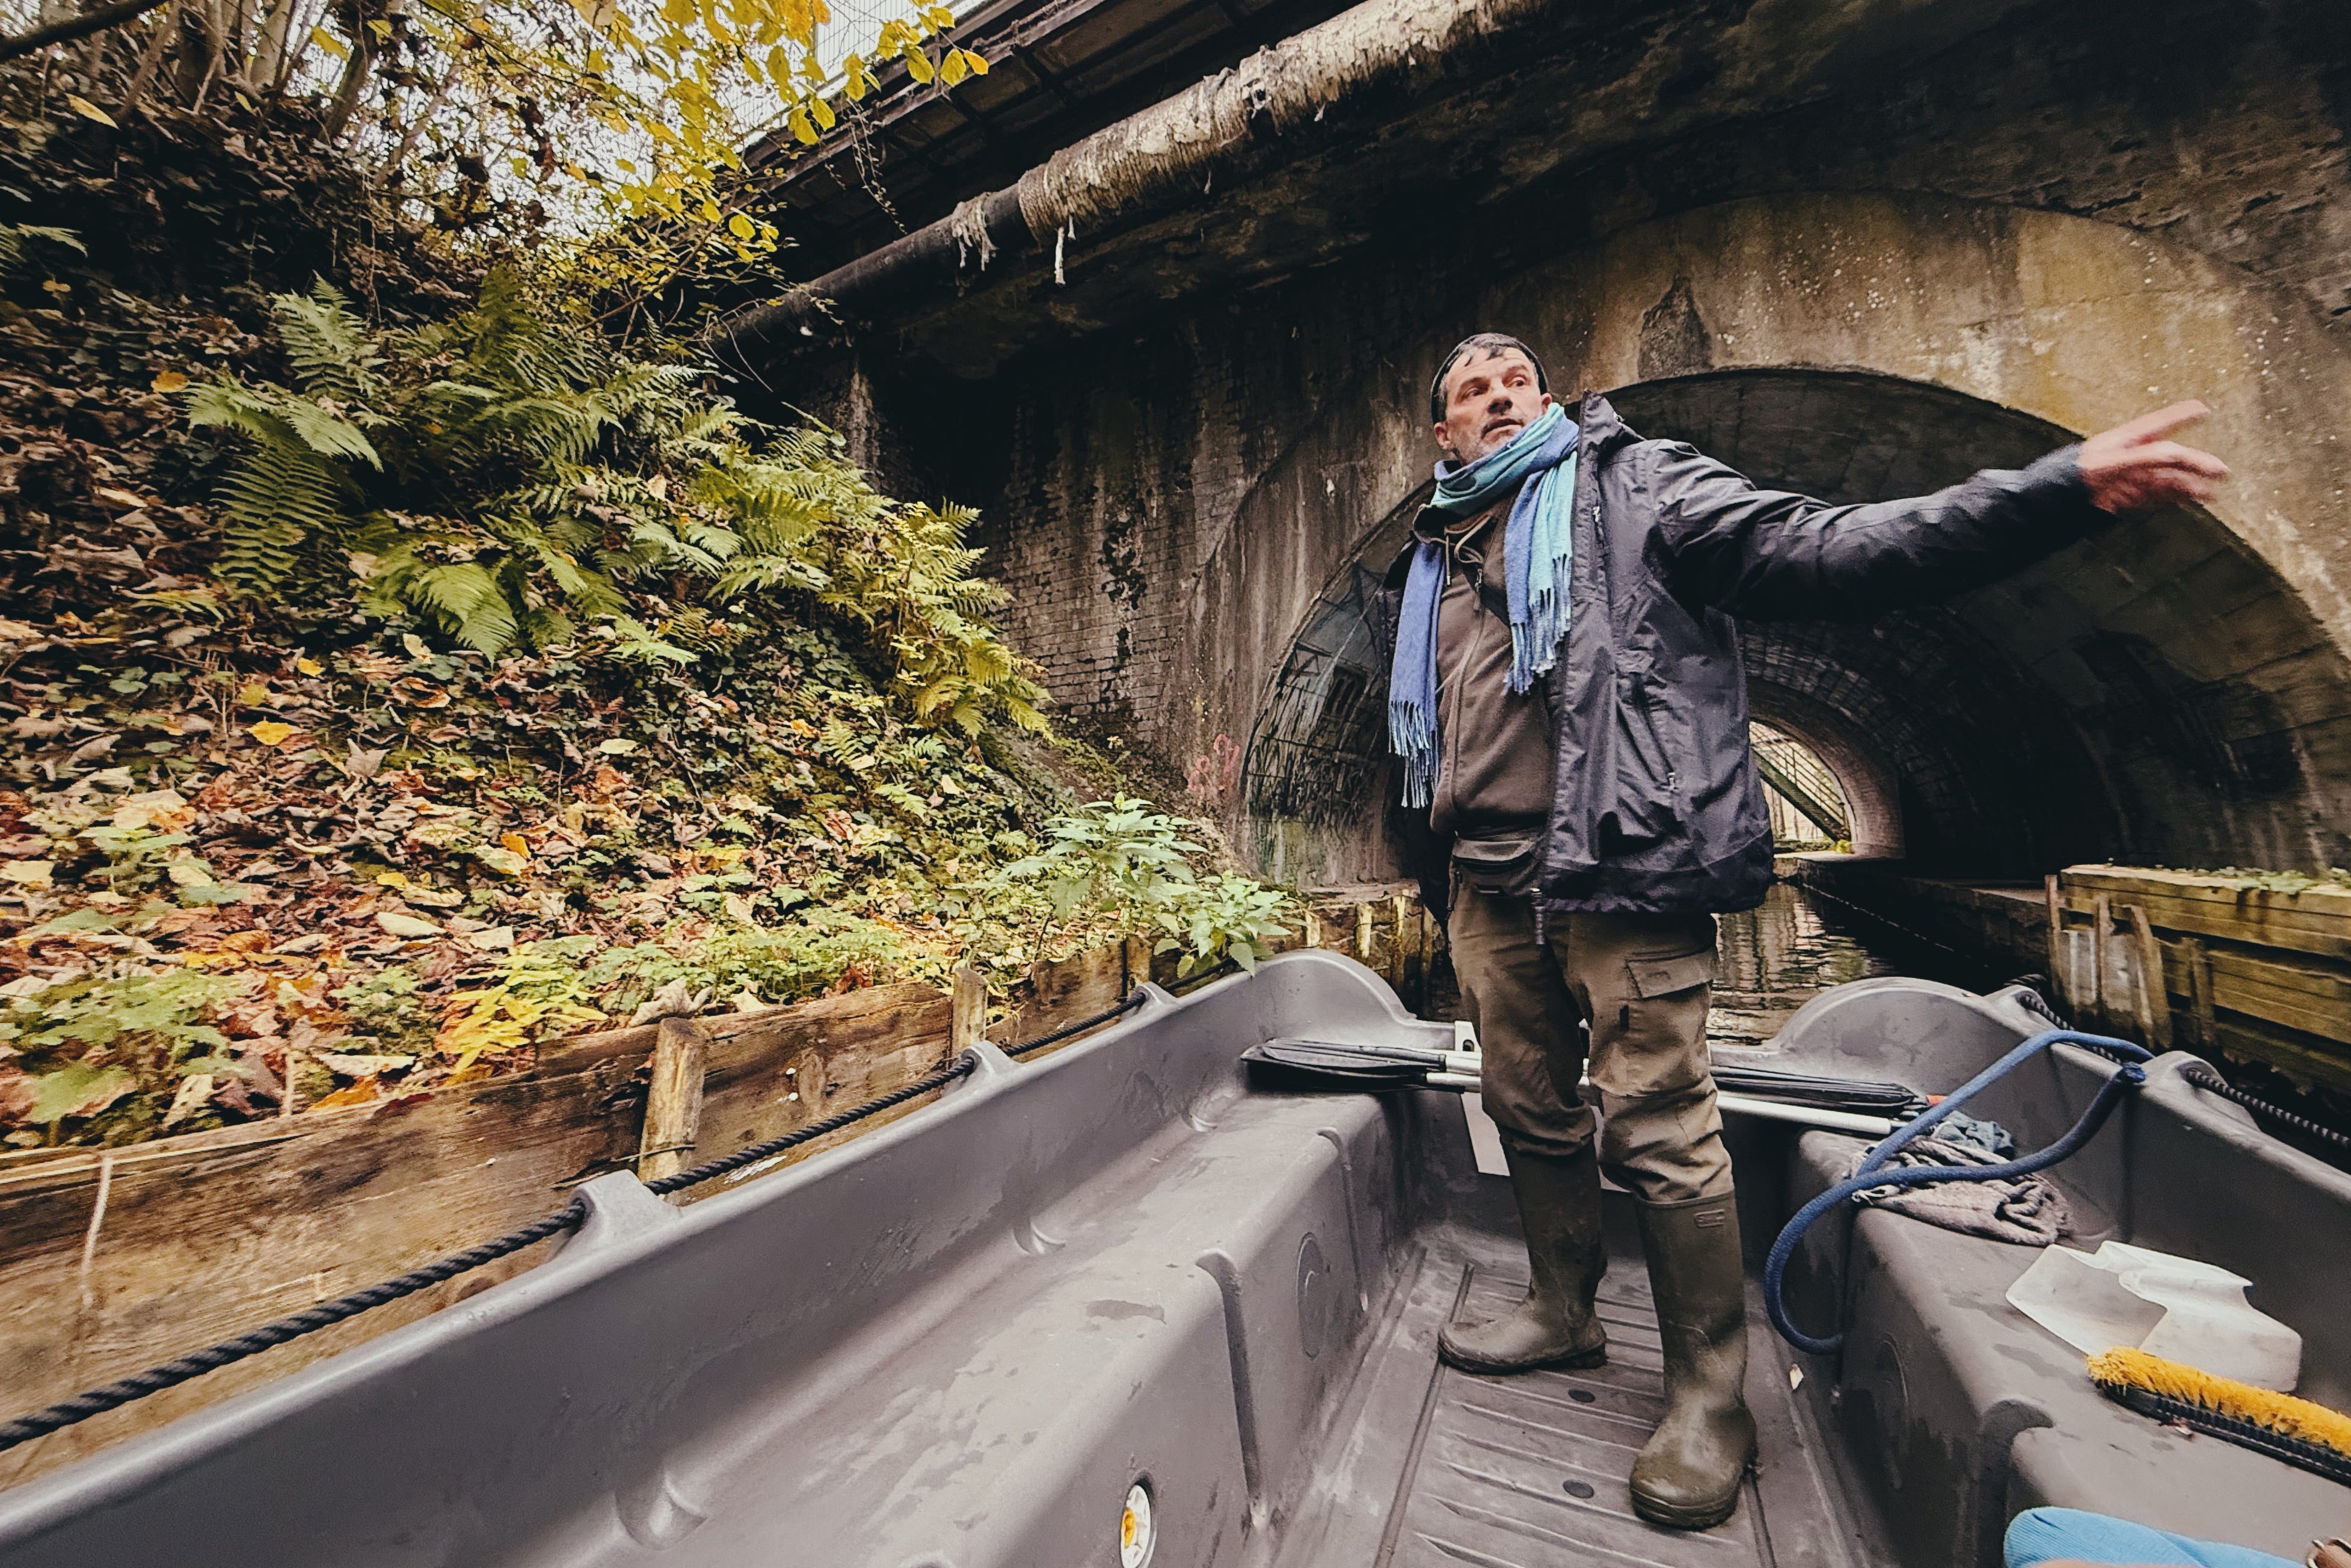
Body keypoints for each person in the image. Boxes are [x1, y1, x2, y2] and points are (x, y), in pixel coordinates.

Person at [1378, 333, 2229, 1531]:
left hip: (1620, 870)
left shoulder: (1639, 487)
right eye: (1472, 390)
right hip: (1487, 885)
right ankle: (1559, 1305)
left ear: (1546, 400)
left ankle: (1707, 1399)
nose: (1501, 397)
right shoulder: (1431, 556)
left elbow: (1834, 548)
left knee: (1662, 1125)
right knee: (1523, 1100)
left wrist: (2052, 489)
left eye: (1518, 380)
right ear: (1444, 435)